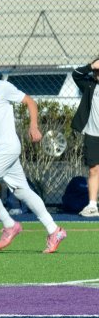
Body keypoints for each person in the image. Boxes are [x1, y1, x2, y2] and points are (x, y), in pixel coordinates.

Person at [0, 50, 67, 253]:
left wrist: (33, 126)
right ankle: (54, 230)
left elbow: (30, 102)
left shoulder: (2, 87)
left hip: (7, 146)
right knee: (21, 191)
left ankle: (9, 225)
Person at [71, 58, 99, 217]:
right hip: (93, 135)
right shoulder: (89, 84)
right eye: (95, 70)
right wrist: (91, 66)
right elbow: (76, 75)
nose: (96, 73)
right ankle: (92, 205)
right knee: (94, 169)